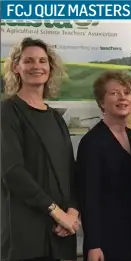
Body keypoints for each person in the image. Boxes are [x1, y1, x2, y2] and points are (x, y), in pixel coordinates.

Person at [1, 37, 79, 261]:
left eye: (43, 61)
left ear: (50, 68)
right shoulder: (8, 112)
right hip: (25, 237)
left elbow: (70, 171)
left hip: (60, 234)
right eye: (29, 61)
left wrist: (72, 213)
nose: (37, 66)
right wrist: (56, 212)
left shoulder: (56, 117)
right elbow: (12, 171)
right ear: (16, 67)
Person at [75, 71, 131, 261]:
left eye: (127, 92)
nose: (122, 98)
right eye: (114, 93)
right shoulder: (92, 142)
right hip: (107, 239)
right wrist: (94, 244)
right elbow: (89, 197)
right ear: (102, 102)